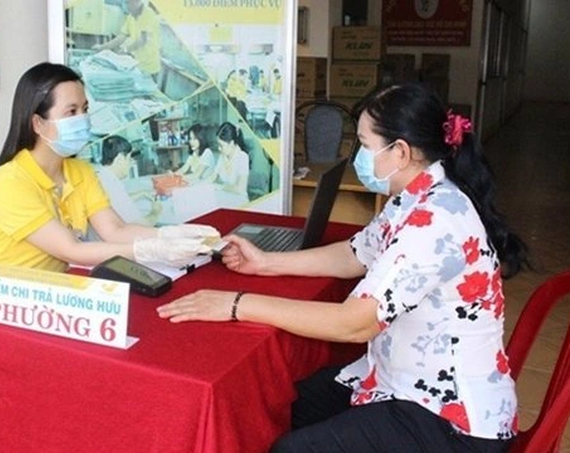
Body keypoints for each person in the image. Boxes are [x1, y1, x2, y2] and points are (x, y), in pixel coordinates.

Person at [157, 83, 529, 452]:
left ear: (400, 152)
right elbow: (355, 254)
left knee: (292, 449)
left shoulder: (433, 220)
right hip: (404, 380)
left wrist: (237, 304)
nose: (357, 157)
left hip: (452, 421)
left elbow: (354, 323)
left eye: (365, 145)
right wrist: (266, 263)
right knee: (289, 403)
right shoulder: (415, 195)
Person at [0, 62, 217, 314]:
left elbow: (115, 230)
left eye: (85, 109)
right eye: (71, 112)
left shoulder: (79, 171)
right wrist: (149, 250)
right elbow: (72, 250)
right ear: (38, 123)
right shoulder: (10, 181)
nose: (83, 119)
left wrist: (167, 235)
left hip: (45, 298)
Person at [92, 0, 161, 82]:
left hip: (149, 67)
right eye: (126, 2)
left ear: (136, 1)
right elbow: (121, 37)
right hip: (137, 64)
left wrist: (126, 50)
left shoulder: (148, 14)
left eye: (128, 2)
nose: (126, 5)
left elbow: (143, 39)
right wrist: (102, 47)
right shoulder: (131, 16)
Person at [205, 122, 249, 202]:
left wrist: (220, 187)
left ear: (231, 143)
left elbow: (240, 189)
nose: (219, 149)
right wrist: (202, 186)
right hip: (225, 197)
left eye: (221, 145)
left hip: (239, 201)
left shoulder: (242, 157)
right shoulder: (223, 156)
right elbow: (213, 177)